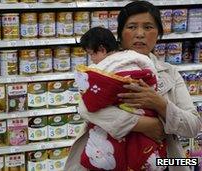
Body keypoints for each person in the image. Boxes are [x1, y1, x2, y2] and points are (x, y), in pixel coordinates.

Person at [65, 1, 202, 171]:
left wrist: (158, 103)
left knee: (187, 163)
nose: (140, 34)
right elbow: (85, 108)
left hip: (162, 161)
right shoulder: (102, 69)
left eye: (148, 27)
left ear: (158, 33)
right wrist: (146, 125)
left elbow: (194, 126)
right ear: (120, 34)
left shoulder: (170, 73)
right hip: (106, 160)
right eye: (131, 27)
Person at [75, 26, 166, 171]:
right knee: (143, 150)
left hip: (117, 123)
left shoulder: (100, 69)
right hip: (146, 119)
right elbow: (153, 79)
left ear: (102, 49)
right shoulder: (138, 58)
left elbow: (88, 102)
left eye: (91, 54)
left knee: (109, 150)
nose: (91, 59)